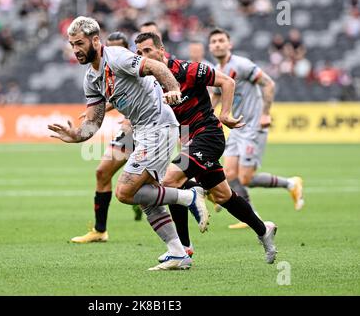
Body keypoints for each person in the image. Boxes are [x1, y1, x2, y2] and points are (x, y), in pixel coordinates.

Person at [48, 17, 209, 271]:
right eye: (72, 44)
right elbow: (94, 121)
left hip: (158, 126)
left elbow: (156, 67)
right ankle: (178, 253)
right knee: (145, 196)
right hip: (143, 131)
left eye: (79, 43)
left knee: (125, 191)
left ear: (95, 40)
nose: (75, 49)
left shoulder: (118, 58)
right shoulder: (91, 78)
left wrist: (173, 88)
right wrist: (76, 135)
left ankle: (188, 196)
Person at [135, 32, 278, 264]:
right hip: (189, 140)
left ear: (162, 50)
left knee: (170, 181)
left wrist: (224, 114)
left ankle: (183, 249)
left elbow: (227, 82)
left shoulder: (188, 69)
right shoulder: (149, 81)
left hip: (208, 135)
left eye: (148, 50)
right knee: (223, 195)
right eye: (139, 53)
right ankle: (264, 230)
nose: (144, 56)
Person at [208, 28, 304, 230]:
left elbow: (268, 83)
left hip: (253, 126)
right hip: (237, 127)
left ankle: (291, 183)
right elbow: (214, 99)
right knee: (230, 173)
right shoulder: (218, 70)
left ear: (229, 44)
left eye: (221, 40)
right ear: (210, 47)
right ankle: (252, 217)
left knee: (245, 178)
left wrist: (265, 113)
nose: (217, 44)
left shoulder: (241, 64)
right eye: (214, 41)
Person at [70, 31, 143, 244]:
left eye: (116, 47)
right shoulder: (100, 70)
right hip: (129, 132)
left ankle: (201, 190)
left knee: (169, 180)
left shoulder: (131, 65)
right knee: (102, 172)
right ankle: (100, 230)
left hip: (151, 128)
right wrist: (100, 109)